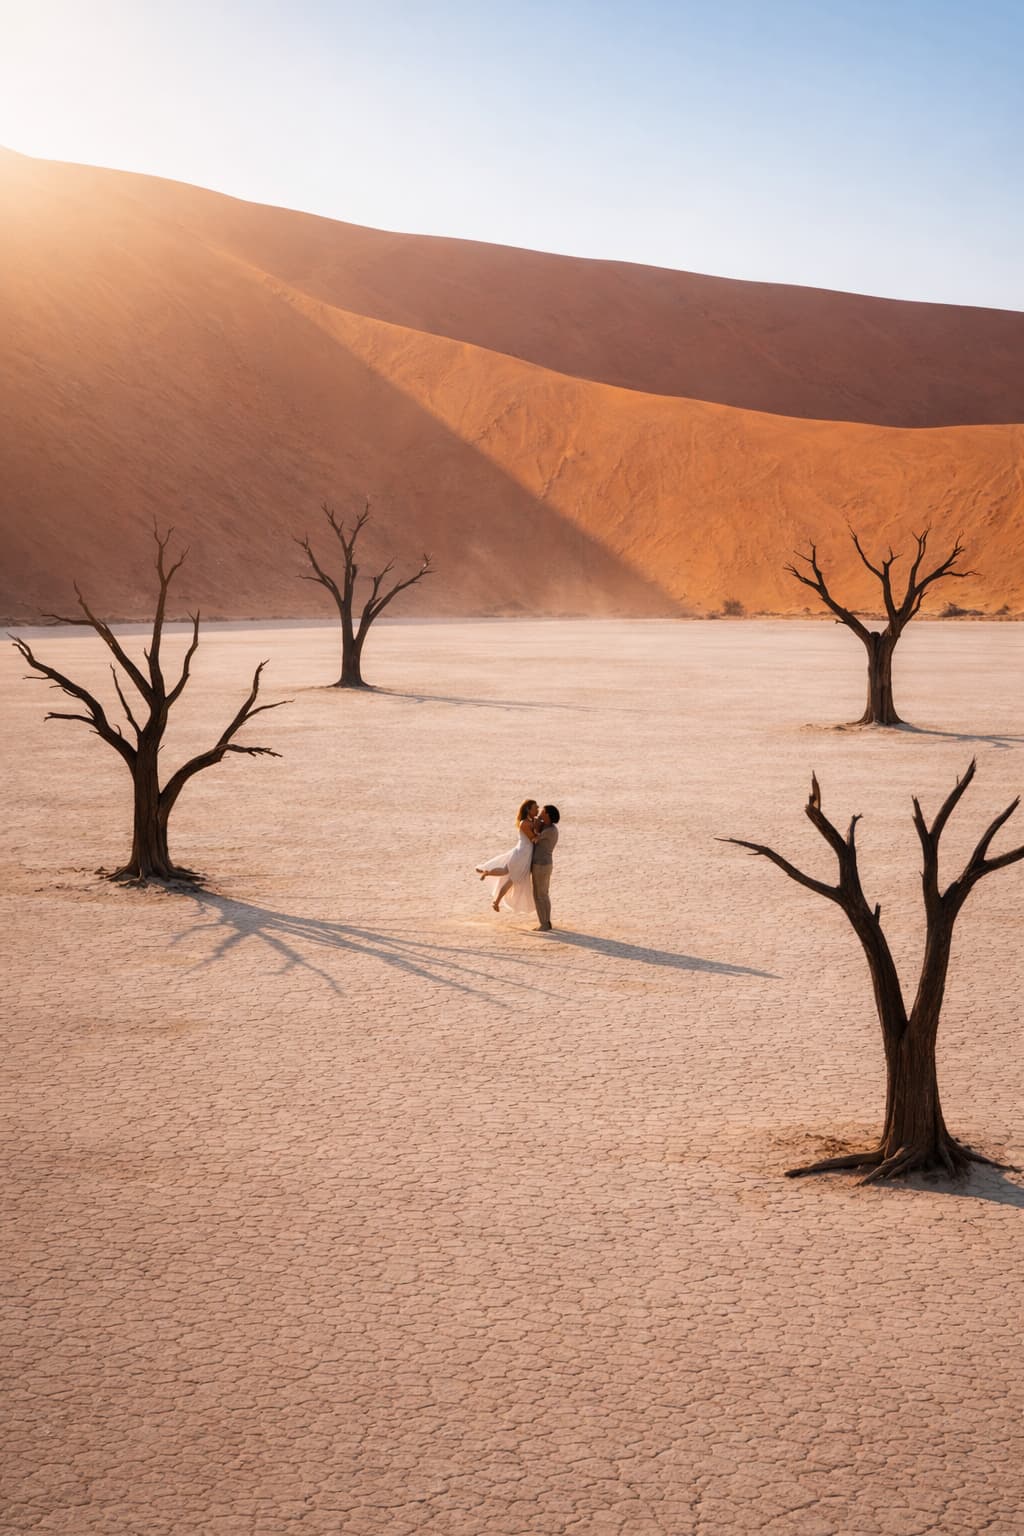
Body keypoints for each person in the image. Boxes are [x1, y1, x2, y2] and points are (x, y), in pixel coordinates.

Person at [475, 800, 540, 913]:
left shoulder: (532, 821)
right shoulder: (524, 823)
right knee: (511, 879)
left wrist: (537, 825)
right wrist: (540, 833)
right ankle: (496, 901)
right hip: (522, 854)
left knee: (506, 871)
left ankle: (487, 873)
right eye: (535, 808)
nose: (538, 809)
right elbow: (533, 839)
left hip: (523, 853)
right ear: (528, 810)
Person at [530, 805, 560, 931]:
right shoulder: (548, 827)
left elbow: (534, 839)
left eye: (543, 812)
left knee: (539, 895)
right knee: (544, 894)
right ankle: (546, 921)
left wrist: (536, 827)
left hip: (541, 865)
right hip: (545, 864)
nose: (540, 813)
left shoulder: (550, 830)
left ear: (547, 815)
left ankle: (544, 924)